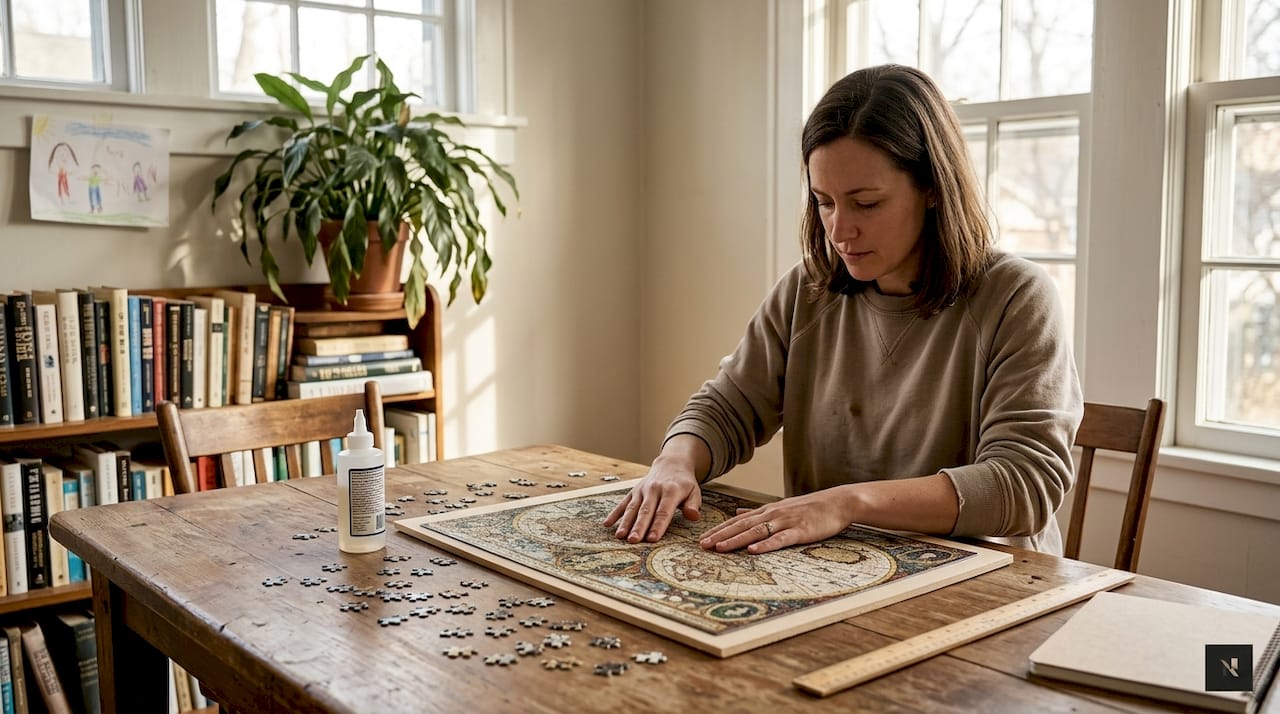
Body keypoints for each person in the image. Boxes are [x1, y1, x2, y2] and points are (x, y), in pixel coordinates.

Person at [604, 64, 1083, 555]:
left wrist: (845, 503)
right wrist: (674, 462)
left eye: (867, 203)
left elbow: (1024, 485)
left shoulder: (1017, 295)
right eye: (824, 202)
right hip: (834, 572)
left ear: (933, 189)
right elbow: (728, 406)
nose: (838, 230)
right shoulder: (807, 288)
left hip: (990, 585)